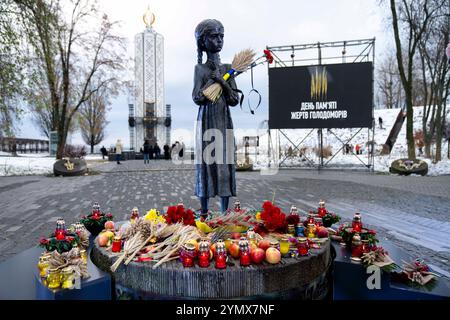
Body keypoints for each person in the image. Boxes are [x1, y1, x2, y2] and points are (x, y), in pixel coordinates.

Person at [192, 19, 240, 218]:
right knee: (206, 162)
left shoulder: (229, 68)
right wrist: (211, 82)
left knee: (224, 162)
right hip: (206, 122)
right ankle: (203, 211)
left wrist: (223, 82)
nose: (219, 40)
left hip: (223, 120)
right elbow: (196, 97)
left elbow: (234, 99)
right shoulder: (200, 69)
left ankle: (225, 213)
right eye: (214, 36)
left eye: (221, 36)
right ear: (203, 41)